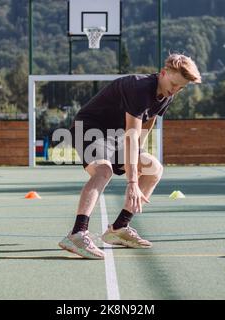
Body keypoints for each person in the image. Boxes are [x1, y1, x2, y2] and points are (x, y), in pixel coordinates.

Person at [58, 53, 202, 259]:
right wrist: (132, 181)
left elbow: (149, 121)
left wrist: (138, 154)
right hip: (90, 128)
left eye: (181, 87)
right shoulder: (140, 89)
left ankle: (119, 228)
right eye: (174, 84)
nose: (176, 90)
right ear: (163, 73)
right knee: (103, 170)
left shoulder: (168, 94)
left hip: (116, 136)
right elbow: (131, 137)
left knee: (154, 169)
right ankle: (77, 233)